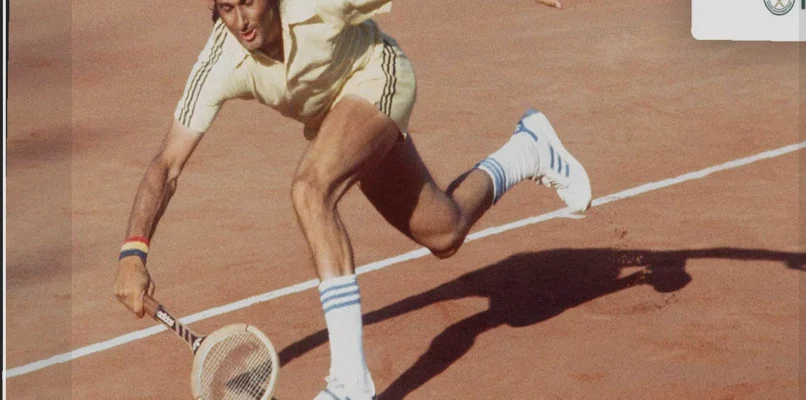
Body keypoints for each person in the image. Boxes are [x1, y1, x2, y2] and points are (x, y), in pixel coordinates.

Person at [113, 0, 590, 398]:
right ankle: (529, 149)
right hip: (335, 124)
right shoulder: (221, 60)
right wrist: (134, 251)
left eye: (248, 2)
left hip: (378, 78)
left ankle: (349, 382)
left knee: (310, 189)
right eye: (226, 8)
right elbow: (166, 165)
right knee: (445, 232)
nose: (241, 21)